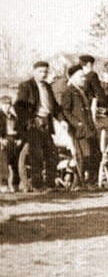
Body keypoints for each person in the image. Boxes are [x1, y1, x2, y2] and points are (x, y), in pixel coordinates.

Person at [14, 60, 64, 190]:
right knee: (36, 155)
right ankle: (37, 185)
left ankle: (50, 184)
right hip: (34, 124)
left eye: (45, 72)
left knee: (52, 154)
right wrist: (29, 121)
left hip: (47, 123)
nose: (43, 74)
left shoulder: (47, 87)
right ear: (34, 72)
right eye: (40, 72)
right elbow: (19, 106)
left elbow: (55, 107)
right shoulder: (26, 86)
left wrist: (62, 120)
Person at [60, 64, 100, 186]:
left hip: (88, 129)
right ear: (72, 77)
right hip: (79, 130)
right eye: (81, 76)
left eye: (84, 76)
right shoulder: (69, 92)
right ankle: (80, 183)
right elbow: (65, 111)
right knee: (83, 156)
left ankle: (91, 182)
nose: (84, 79)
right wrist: (77, 124)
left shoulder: (81, 91)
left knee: (94, 155)